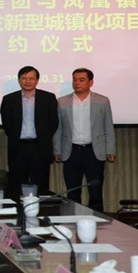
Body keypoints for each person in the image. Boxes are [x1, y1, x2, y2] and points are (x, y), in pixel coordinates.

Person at [53, 68, 116, 212]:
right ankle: (74, 220)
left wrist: (110, 149)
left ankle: (97, 220)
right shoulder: (62, 102)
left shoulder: (102, 101)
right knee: (73, 192)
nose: (77, 83)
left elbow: (108, 127)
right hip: (71, 152)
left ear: (90, 82)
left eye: (81, 80)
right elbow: (58, 129)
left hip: (94, 151)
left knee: (95, 192)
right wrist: (57, 150)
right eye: (75, 79)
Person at [0, 65, 58, 195]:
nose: (27, 81)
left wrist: (43, 137)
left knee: (41, 186)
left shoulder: (48, 98)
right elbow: (7, 124)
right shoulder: (9, 99)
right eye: (24, 78)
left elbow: (53, 122)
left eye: (31, 78)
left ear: (37, 80)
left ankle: (41, 208)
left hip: (40, 148)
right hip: (18, 148)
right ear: (19, 80)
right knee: (17, 187)